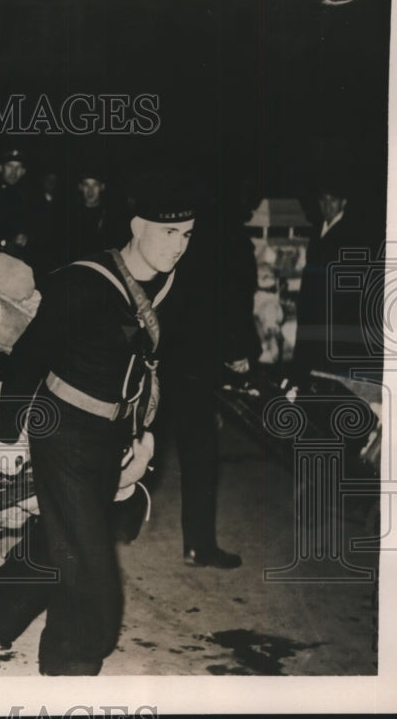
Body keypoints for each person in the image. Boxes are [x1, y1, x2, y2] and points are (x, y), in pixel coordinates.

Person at [0, 176, 197, 675]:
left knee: (67, 535)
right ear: (137, 227)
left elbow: (160, 370)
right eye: (168, 232)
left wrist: (146, 438)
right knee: (89, 562)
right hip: (63, 430)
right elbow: (28, 358)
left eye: (186, 234)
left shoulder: (172, 286)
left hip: (114, 433)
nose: (178, 246)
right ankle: (68, 665)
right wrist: (6, 435)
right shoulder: (83, 282)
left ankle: (1, 598)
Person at [159, 184, 260, 568]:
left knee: (141, 441)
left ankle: (120, 525)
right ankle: (198, 545)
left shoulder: (182, 235)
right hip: (198, 361)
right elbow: (235, 302)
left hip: (162, 352)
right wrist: (240, 351)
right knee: (199, 453)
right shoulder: (234, 242)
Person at [292, 179, 364, 380]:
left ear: (343, 202)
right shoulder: (317, 229)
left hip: (333, 310)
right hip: (311, 308)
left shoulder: (350, 233)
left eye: (332, 200)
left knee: (326, 368)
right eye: (323, 200)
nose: (327, 205)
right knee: (306, 362)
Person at [0, 146, 31, 257]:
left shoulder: (28, 197)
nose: (14, 172)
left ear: (23, 172)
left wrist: (25, 237)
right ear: (0, 168)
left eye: (18, 167)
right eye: (10, 166)